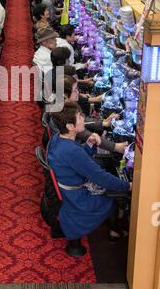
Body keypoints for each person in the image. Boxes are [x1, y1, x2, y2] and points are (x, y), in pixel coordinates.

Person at [47, 101, 132, 243]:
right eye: (80, 117)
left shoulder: (58, 138)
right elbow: (101, 178)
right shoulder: (72, 151)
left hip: (67, 189)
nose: (83, 119)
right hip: (77, 199)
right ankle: (115, 232)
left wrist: (88, 145)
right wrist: (128, 186)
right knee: (112, 198)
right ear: (69, 126)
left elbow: (74, 163)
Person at [49, 75, 128, 154]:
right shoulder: (64, 112)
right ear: (65, 95)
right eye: (75, 90)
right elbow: (85, 134)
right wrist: (115, 147)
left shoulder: (63, 105)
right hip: (72, 151)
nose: (78, 92)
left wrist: (103, 122)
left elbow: (84, 119)